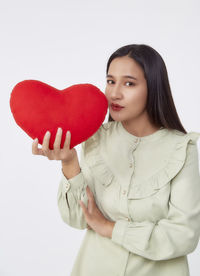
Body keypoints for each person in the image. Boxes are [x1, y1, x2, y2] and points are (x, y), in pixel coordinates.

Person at [32, 44, 200, 276]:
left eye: (129, 83)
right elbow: (77, 219)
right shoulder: (95, 138)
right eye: (111, 81)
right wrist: (70, 163)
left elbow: (184, 236)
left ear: (153, 88)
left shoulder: (182, 148)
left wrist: (110, 228)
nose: (114, 93)